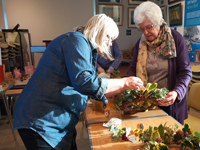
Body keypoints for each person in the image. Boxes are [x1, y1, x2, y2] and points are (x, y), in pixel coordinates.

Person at [13, 14, 143, 150]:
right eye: (109, 38)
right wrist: (123, 82)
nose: (110, 44)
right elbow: (87, 83)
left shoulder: (83, 46)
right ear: (99, 32)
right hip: (41, 121)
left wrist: (122, 88)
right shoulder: (76, 40)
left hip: (58, 120)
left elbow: (90, 89)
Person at [127, 2, 192, 125]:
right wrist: (129, 82)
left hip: (170, 103)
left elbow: (186, 72)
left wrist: (176, 92)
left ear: (158, 22)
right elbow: (132, 68)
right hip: (147, 102)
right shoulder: (140, 44)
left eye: (149, 27)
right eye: (141, 28)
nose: (145, 32)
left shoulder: (175, 39)